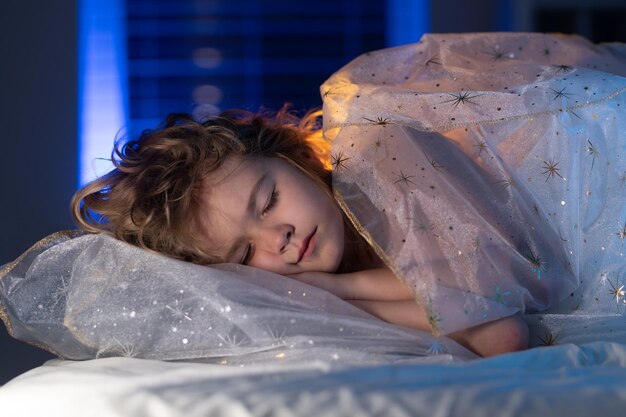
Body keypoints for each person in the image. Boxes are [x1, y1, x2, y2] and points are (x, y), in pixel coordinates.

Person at [71, 106, 528, 357]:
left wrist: (340, 289)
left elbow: (493, 312)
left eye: (268, 201)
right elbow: (492, 330)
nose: (279, 237)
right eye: (246, 254)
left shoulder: (386, 159)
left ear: (293, 157)